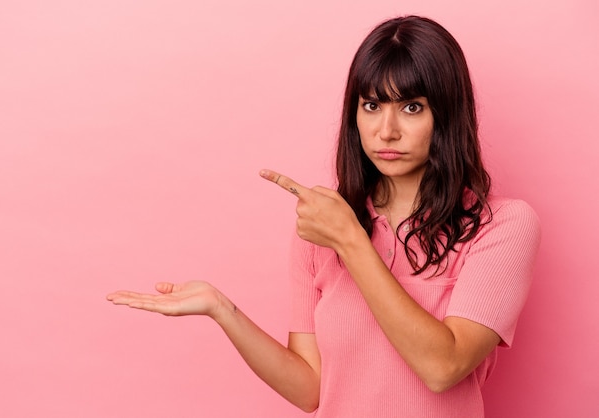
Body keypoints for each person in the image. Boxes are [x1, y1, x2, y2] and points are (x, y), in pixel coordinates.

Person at [107, 15, 541, 417]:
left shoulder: (500, 227)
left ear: (445, 114)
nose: (386, 130)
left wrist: (351, 242)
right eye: (371, 105)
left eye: (411, 107)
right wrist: (223, 310)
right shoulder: (321, 228)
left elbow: (443, 366)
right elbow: (311, 388)